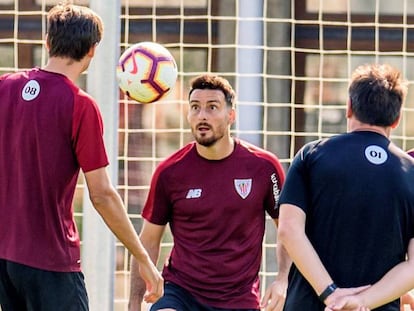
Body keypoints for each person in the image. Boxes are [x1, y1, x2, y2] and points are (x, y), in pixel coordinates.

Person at [0, 3, 163, 311]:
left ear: (47, 43)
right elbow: (101, 194)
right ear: (92, 50)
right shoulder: (80, 105)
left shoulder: (5, 87)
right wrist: (143, 258)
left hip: (5, 260)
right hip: (50, 260)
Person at [128, 74, 290, 311]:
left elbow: (288, 228)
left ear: (230, 116)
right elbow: (148, 241)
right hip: (181, 291)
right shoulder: (169, 172)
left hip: (238, 298)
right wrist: (133, 302)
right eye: (195, 107)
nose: (202, 115)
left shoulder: (264, 167)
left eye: (212, 107)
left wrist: (283, 279)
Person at [277, 63, 414, 311]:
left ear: (349, 108)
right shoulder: (411, 172)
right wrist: (361, 302)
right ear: (397, 119)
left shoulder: (311, 154)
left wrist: (330, 294)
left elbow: (288, 230)